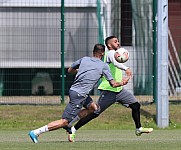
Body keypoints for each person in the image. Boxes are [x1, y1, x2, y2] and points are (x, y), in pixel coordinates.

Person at [28, 43, 129, 143]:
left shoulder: (84, 59)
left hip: (75, 91)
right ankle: (36, 132)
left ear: (93, 52)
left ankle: (69, 124)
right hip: (79, 95)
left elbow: (70, 70)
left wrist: (82, 72)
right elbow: (113, 84)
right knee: (64, 121)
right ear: (103, 54)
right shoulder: (103, 66)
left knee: (94, 108)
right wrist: (122, 82)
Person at [66, 36, 153, 142]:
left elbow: (116, 63)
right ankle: (73, 129)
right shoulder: (110, 53)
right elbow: (115, 62)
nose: (118, 43)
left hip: (119, 90)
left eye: (118, 41)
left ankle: (138, 128)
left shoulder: (115, 53)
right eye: (115, 42)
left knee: (135, 105)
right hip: (109, 90)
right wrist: (126, 68)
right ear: (109, 45)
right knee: (95, 112)